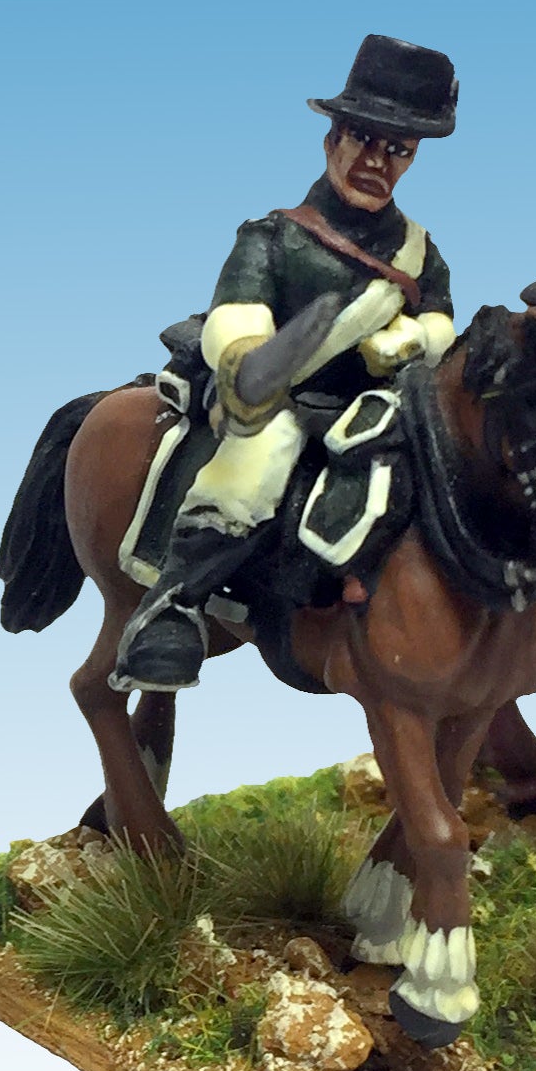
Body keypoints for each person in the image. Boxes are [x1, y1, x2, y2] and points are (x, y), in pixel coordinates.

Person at [114, 35, 459, 692]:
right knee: (260, 457)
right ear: (332, 139)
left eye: (398, 150)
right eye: (364, 139)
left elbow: (441, 318)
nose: (376, 161)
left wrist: (412, 340)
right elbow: (237, 313)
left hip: (374, 405)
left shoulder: (419, 253)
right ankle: (173, 606)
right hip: (285, 400)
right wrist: (249, 360)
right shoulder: (274, 238)